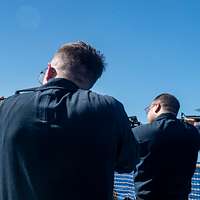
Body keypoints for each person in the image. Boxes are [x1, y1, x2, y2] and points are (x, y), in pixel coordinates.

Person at [0, 41, 138, 200]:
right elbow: (127, 163)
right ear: (91, 80)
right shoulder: (110, 109)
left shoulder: (6, 107)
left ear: (49, 71)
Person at [132, 93, 200, 200]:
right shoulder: (193, 133)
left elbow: (123, 164)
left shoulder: (139, 132)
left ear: (157, 106)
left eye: (148, 109)